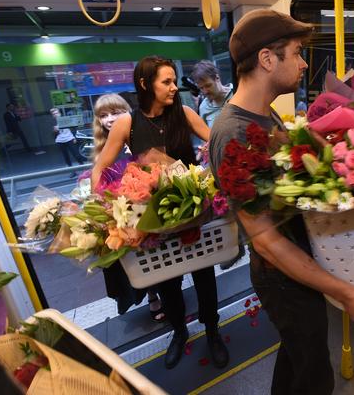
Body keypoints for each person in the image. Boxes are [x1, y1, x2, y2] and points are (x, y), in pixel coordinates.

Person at [209, 9, 354, 395]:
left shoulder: (262, 115)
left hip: (295, 261)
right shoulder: (236, 134)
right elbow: (266, 241)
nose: (304, 62)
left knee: (298, 355)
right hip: (281, 275)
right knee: (313, 374)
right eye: (296, 52)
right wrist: (347, 292)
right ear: (266, 59)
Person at [91, 56, 229, 370]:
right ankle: (179, 332)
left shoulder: (186, 113)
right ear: (145, 84)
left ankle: (212, 330)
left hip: (193, 212)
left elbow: (216, 144)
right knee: (167, 283)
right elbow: (100, 167)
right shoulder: (128, 123)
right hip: (155, 219)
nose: (174, 87)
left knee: (204, 277)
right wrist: (102, 207)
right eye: (166, 81)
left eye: (173, 80)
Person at [91, 93, 165, 322]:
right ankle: (152, 294)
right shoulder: (103, 152)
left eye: (116, 112)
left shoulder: (142, 141)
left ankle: (166, 290)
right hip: (123, 211)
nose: (110, 119)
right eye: (103, 115)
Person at [191, 60, 233, 129]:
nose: (205, 92)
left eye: (208, 85)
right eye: (201, 88)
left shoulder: (237, 94)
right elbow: (205, 137)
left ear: (217, 78)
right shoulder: (203, 107)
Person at [50, 108, 86, 176]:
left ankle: (84, 169)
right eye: (54, 114)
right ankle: (72, 171)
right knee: (66, 157)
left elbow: (74, 128)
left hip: (69, 139)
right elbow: (52, 134)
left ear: (60, 113)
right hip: (60, 141)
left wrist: (74, 137)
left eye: (57, 113)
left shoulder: (66, 119)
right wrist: (55, 131)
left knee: (76, 154)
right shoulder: (52, 122)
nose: (56, 115)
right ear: (52, 116)